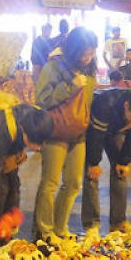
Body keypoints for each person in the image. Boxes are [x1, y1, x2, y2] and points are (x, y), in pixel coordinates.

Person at [34, 27, 98, 243]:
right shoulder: (54, 65)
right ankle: (44, 231)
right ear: (73, 50)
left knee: (72, 184)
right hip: (56, 132)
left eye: (91, 53)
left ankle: (60, 228)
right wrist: (70, 86)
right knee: (50, 183)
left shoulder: (88, 69)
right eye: (84, 53)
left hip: (79, 132)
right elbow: (43, 99)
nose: (87, 58)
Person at [81, 89, 131, 239]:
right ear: (126, 105)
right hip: (92, 131)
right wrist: (94, 163)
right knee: (91, 174)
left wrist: (124, 161)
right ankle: (91, 224)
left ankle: (119, 222)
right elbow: (95, 137)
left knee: (120, 172)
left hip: (116, 131)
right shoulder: (104, 104)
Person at [0, 104, 53, 229]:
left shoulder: (37, 119)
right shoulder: (2, 131)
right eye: (34, 143)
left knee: (14, 187)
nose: (38, 148)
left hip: (11, 142)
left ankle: (8, 230)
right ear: (24, 132)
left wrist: (18, 154)